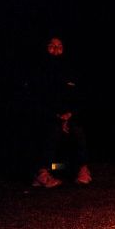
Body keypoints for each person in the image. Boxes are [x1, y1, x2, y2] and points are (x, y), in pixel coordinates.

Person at [30, 36, 91, 188]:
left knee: (77, 129)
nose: (56, 50)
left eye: (59, 46)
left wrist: (69, 116)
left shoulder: (71, 72)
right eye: (52, 46)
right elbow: (35, 102)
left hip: (68, 118)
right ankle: (41, 173)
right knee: (51, 129)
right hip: (47, 118)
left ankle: (81, 169)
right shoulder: (38, 72)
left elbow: (80, 99)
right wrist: (56, 117)